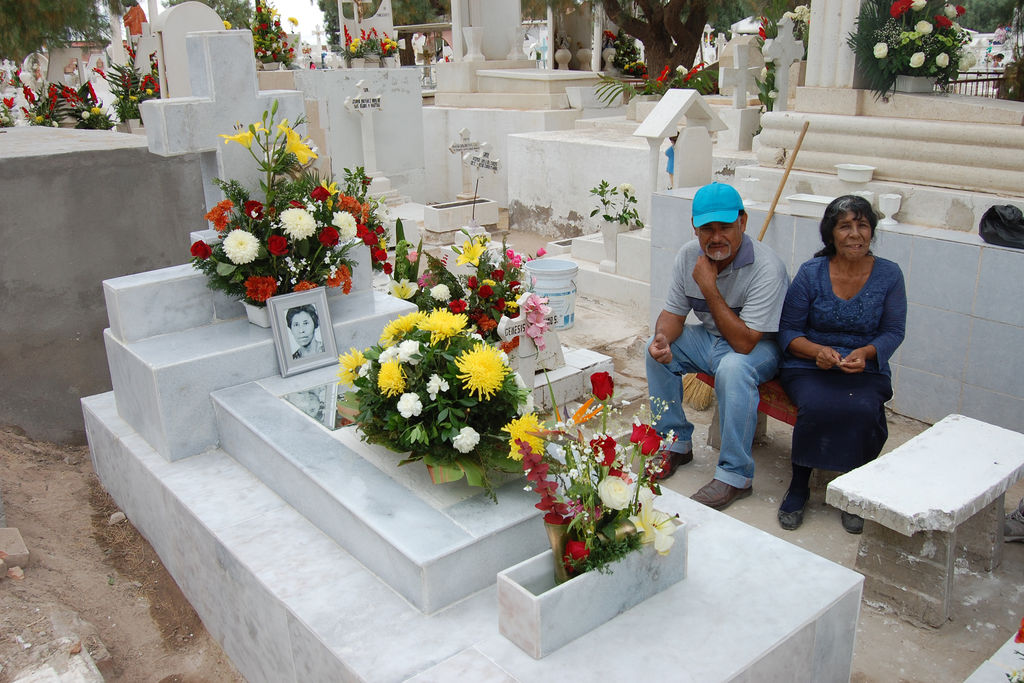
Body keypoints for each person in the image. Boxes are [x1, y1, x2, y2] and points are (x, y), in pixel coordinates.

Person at [646, 182, 790, 510]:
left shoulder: (768, 268)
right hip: (710, 340)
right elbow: (672, 314)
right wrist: (662, 340)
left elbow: (743, 343)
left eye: (725, 227)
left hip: (758, 349)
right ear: (694, 228)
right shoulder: (688, 256)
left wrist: (709, 288)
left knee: (734, 368)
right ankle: (676, 443)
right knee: (651, 351)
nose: (716, 237)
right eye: (707, 229)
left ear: (743, 222)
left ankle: (734, 476)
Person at [775, 195, 906, 534]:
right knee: (817, 405)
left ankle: (853, 491)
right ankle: (800, 485)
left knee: (863, 408)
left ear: (871, 232)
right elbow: (788, 331)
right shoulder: (811, 273)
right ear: (830, 234)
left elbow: (893, 331)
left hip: (865, 367)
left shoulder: (889, 275)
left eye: (862, 225)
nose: (855, 234)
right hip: (808, 365)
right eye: (845, 225)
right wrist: (817, 351)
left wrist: (867, 352)